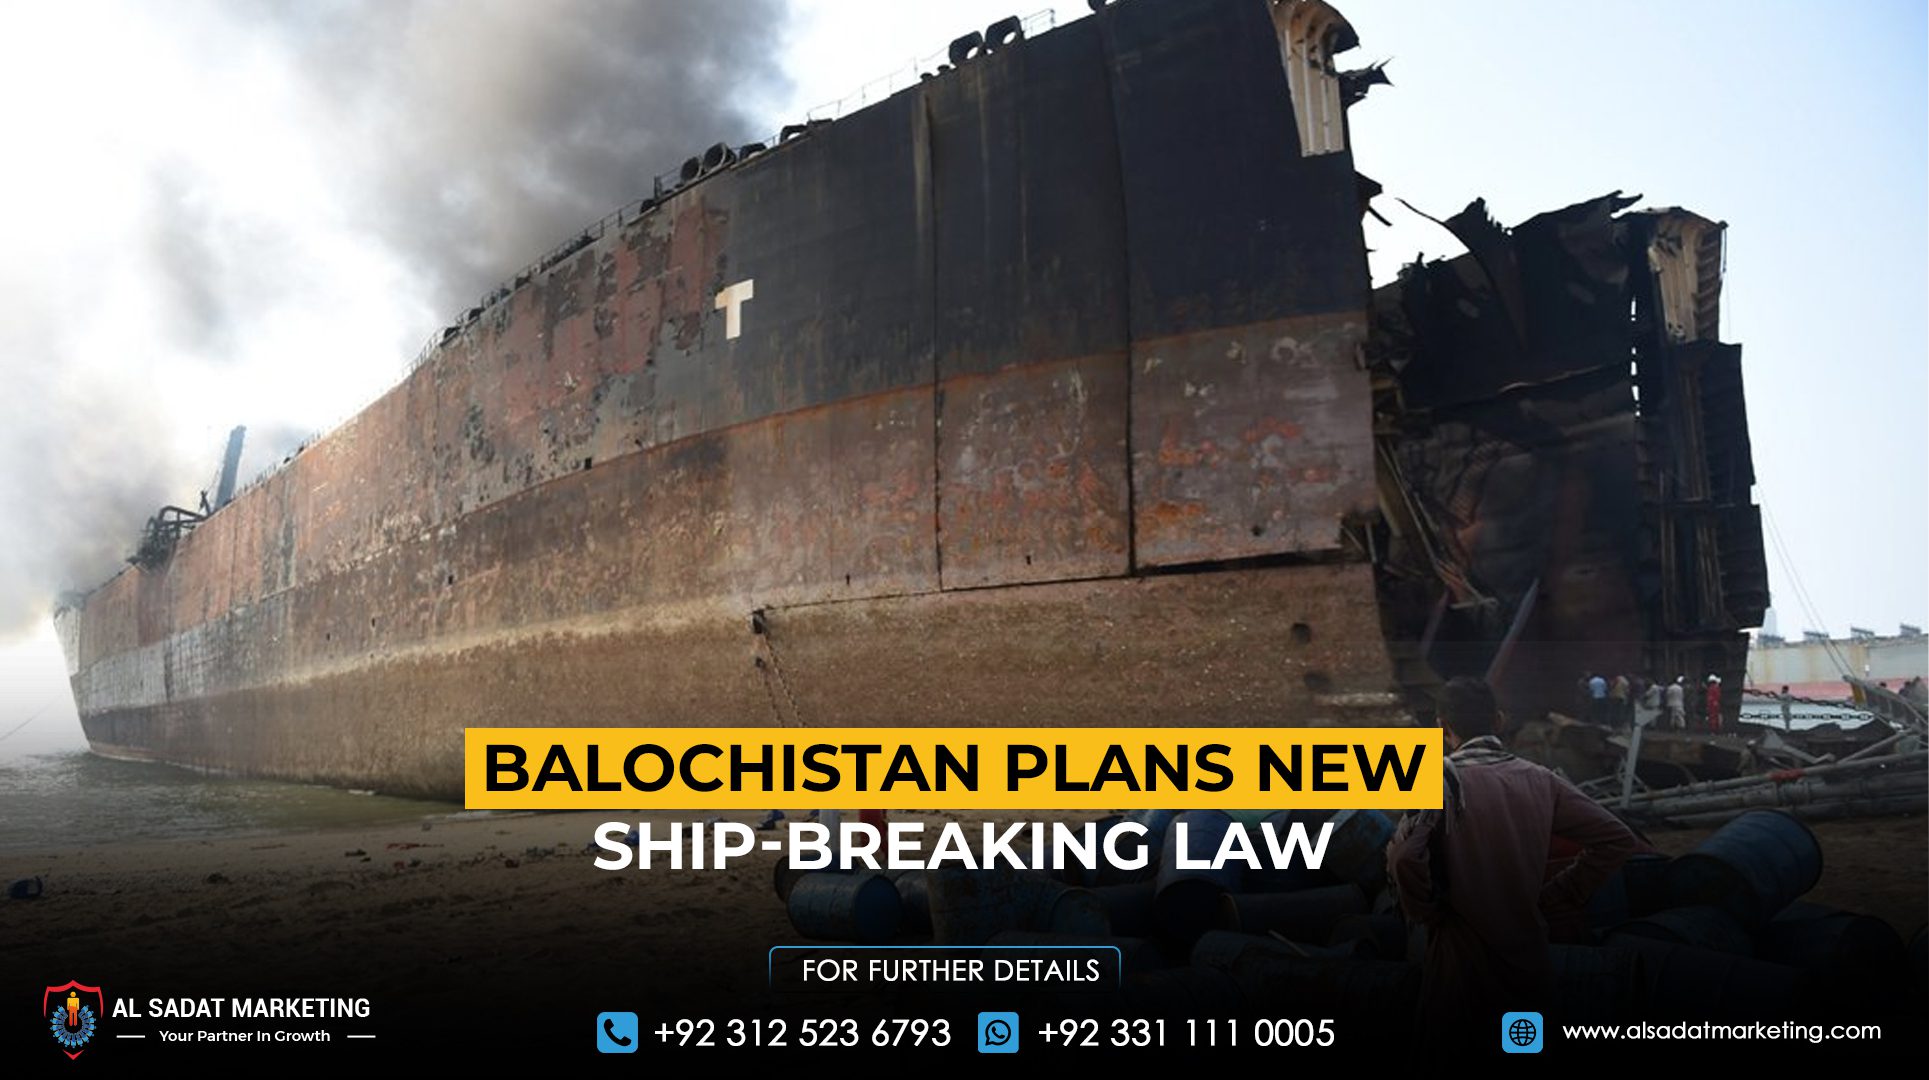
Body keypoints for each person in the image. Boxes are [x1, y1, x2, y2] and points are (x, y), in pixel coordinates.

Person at [1387, 677, 1639, 1053]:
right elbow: (1617, 838)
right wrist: (1558, 895)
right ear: (1499, 721)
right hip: (1527, 957)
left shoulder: (1439, 781)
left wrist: (1425, 911)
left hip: (1460, 959)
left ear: (1441, 727)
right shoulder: (1540, 779)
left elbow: (1405, 857)